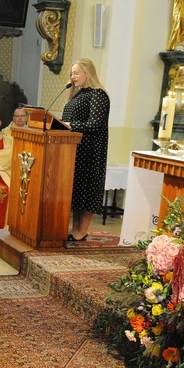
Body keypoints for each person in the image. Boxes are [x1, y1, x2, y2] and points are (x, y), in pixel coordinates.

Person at [62, 58, 110, 242]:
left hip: (90, 151)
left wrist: (69, 125)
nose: (73, 77)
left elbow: (95, 124)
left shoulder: (98, 94)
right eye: (72, 74)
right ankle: (75, 229)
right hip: (74, 150)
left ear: (87, 73)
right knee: (77, 192)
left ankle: (82, 230)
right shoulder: (78, 94)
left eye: (76, 73)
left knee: (87, 191)